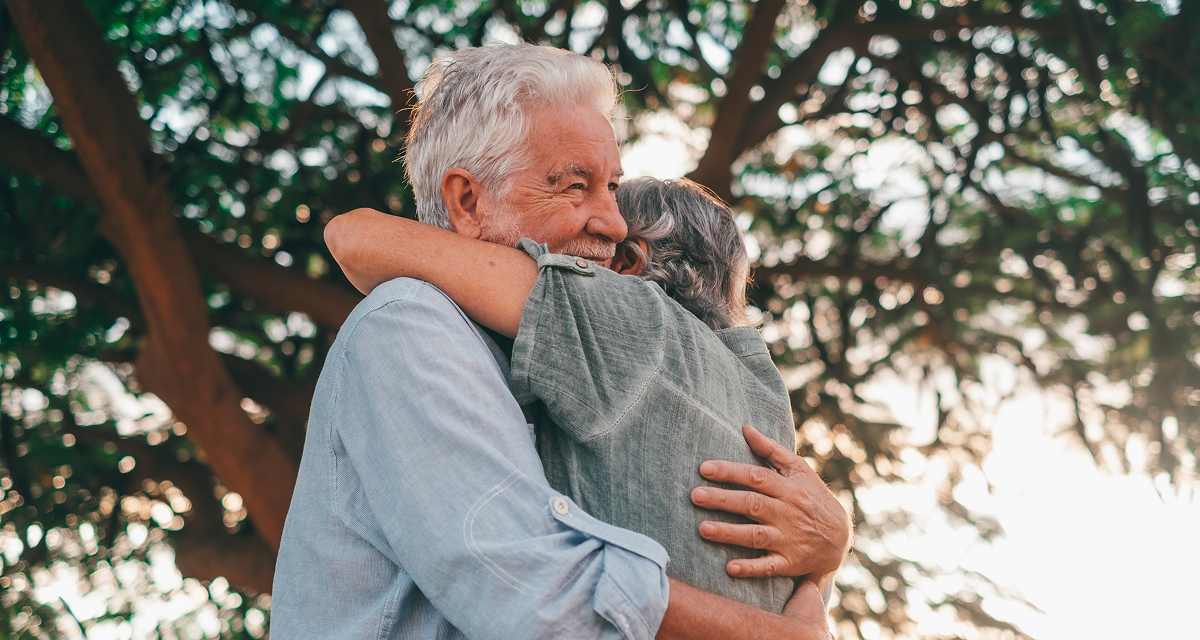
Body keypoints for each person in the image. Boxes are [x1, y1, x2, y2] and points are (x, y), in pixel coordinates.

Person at [271, 43, 850, 640]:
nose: (616, 226)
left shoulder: (563, 363)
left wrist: (826, 549)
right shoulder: (410, 324)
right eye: (576, 187)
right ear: (467, 202)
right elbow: (536, 599)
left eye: (613, 188)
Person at [326, 177, 838, 613]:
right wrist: (835, 546)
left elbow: (356, 237)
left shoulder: (628, 318)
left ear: (631, 259)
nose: (597, 230)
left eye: (609, 224)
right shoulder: (766, 393)